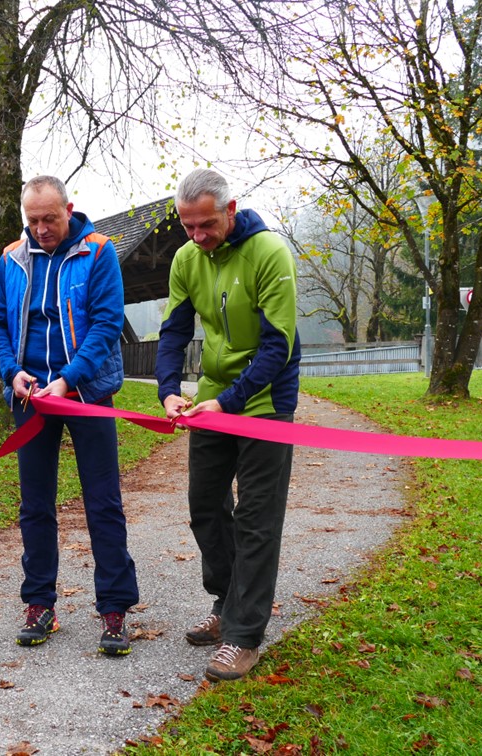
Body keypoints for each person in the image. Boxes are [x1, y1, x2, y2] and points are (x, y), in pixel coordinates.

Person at [0, 175, 139, 656]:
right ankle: (39, 603)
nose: (41, 228)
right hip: (30, 399)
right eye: (32, 220)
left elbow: (109, 323)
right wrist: (11, 373)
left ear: (69, 209)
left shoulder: (98, 251)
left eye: (50, 218)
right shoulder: (12, 258)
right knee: (35, 505)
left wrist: (69, 378)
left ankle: (114, 609)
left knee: (102, 501)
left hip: (85, 393)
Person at [154, 168, 301, 682]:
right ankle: (227, 601)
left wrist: (231, 402)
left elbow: (277, 346)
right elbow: (173, 331)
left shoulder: (269, 254)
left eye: (207, 225)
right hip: (212, 402)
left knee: (258, 520)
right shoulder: (186, 259)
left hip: (265, 401)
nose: (197, 235)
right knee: (206, 507)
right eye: (187, 226)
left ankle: (243, 636)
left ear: (230, 209)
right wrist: (170, 390)